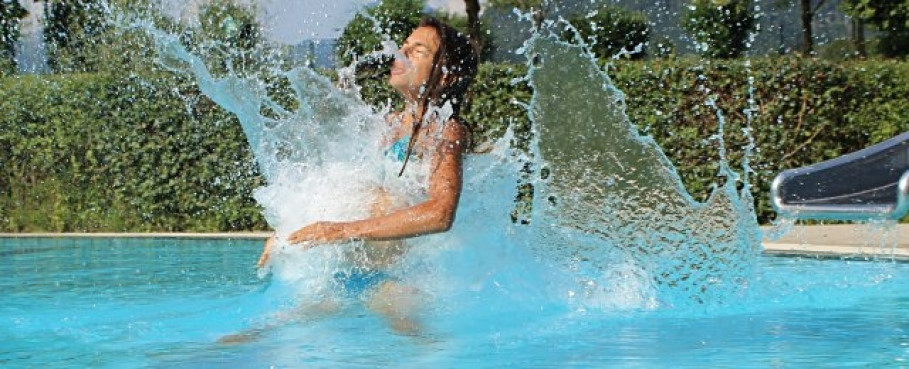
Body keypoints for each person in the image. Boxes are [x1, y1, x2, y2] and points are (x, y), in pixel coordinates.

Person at [255, 17, 479, 334]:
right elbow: (350, 191)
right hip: (349, 272)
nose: (400, 54)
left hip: (400, 279)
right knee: (263, 333)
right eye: (403, 46)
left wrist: (339, 231)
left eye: (417, 50)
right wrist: (289, 234)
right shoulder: (387, 125)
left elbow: (440, 213)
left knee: (417, 348)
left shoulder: (445, 131)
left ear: (446, 74)